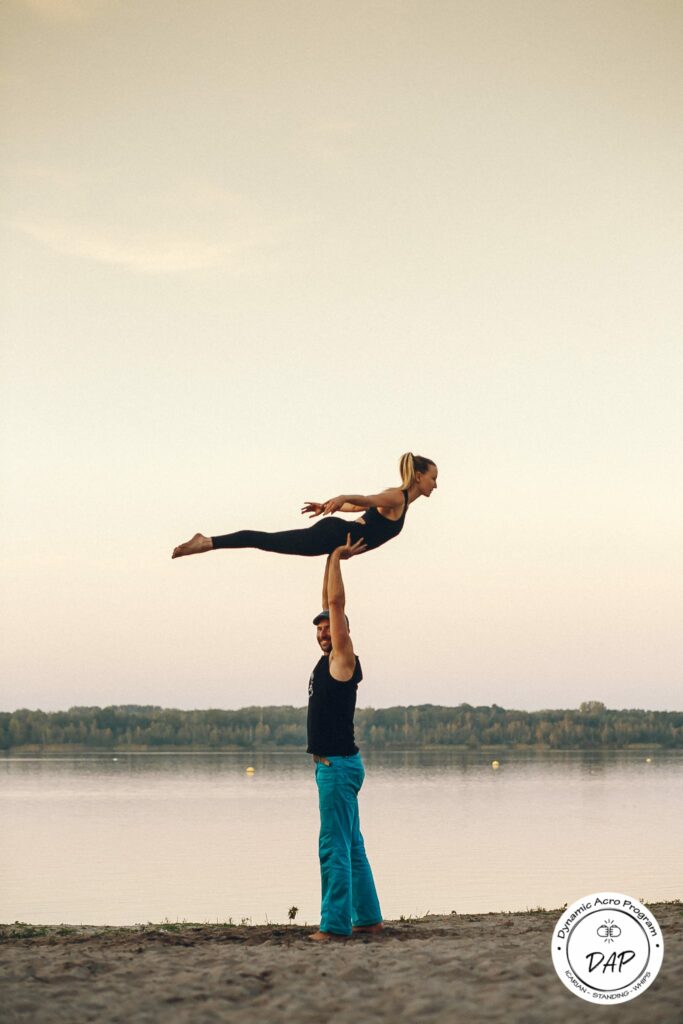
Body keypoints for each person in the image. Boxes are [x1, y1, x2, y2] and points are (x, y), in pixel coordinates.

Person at [306, 532, 383, 942]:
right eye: (318, 628)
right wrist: (331, 558)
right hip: (340, 766)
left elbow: (336, 604)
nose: (323, 632)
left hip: (336, 769)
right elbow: (327, 600)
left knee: (333, 847)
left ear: (342, 635)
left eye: (329, 628)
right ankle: (368, 918)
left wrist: (339, 557)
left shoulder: (343, 659)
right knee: (352, 846)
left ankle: (334, 927)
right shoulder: (326, 660)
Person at [171, 452, 437, 559]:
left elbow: (359, 509)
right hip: (332, 536)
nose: (435, 485)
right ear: (418, 476)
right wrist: (343, 496)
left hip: (335, 536)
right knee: (266, 541)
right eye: (432, 478)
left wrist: (327, 506)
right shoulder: (397, 498)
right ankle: (206, 542)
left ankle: (208, 543)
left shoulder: (398, 500)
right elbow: (365, 501)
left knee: (267, 541)